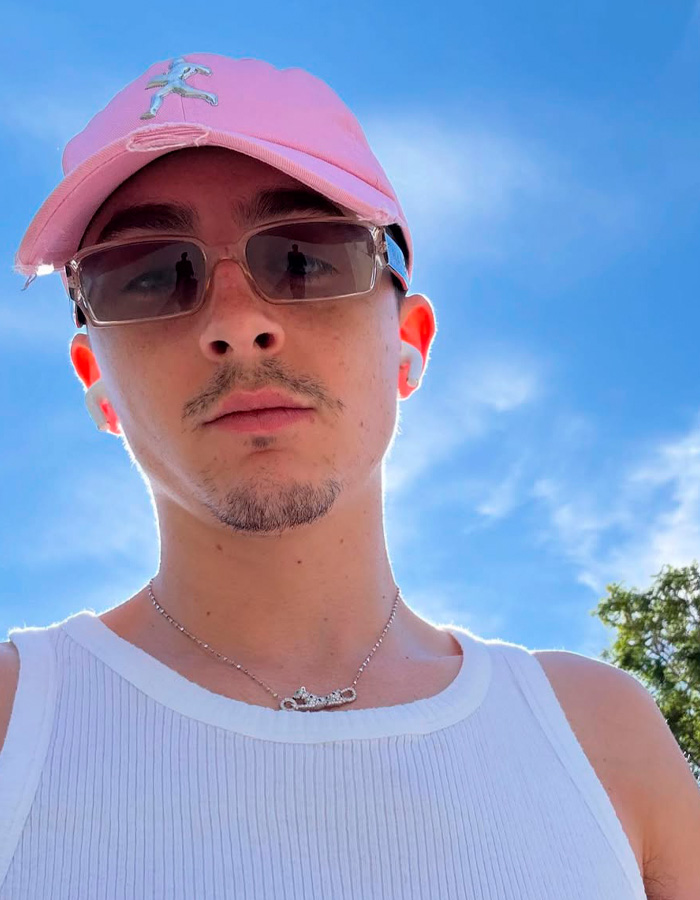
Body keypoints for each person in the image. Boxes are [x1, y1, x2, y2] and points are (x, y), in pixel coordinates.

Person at [5, 53, 698, 899]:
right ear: (95, 380)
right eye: (150, 274)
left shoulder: (603, 735)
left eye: (304, 258)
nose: (238, 321)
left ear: (410, 340)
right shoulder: (14, 724)